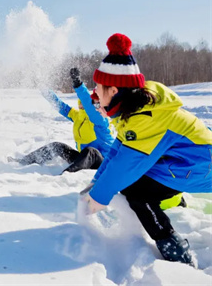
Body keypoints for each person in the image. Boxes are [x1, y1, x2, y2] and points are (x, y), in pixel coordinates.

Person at [82, 33, 212, 266]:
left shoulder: (146, 117)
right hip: (185, 163)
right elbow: (115, 153)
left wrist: (98, 198)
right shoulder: (134, 111)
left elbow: (124, 167)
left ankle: (175, 250)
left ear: (113, 90)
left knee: (137, 192)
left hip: (200, 165)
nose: (95, 95)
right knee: (131, 184)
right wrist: (96, 183)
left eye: (98, 88)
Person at [18, 68, 113, 173]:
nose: (82, 103)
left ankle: (67, 173)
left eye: (86, 102)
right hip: (84, 159)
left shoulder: (100, 119)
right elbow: (59, 105)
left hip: (103, 161)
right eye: (80, 101)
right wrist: (42, 87)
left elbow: (91, 107)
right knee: (57, 146)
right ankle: (23, 161)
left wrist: (78, 84)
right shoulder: (77, 116)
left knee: (91, 151)